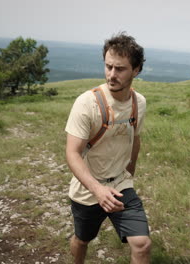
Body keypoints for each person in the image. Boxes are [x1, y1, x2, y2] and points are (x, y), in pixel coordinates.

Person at [65, 32, 151, 264]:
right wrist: (97, 189)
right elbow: (72, 153)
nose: (111, 75)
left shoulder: (138, 103)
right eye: (108, 66)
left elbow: (135, 138)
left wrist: (129, 173)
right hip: (87, 190)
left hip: (121, 184)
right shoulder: (87, 103)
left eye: (120, 69)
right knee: (83, 240)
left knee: (142, 245)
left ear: (136, 70)